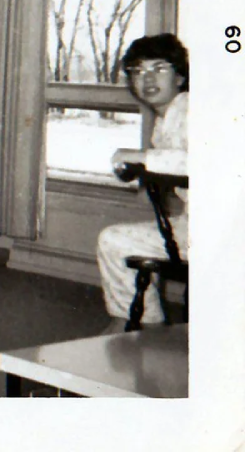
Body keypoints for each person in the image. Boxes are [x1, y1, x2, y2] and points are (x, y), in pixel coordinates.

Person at [96, 33, 189, 330]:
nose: (148, 78)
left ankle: (138, 326)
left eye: (159, 68)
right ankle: (138, 323)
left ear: (180, 77)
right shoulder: (166, 120)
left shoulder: (193, 110)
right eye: (138, 71)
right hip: (194, 226)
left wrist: (143, 157)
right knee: (114, 240)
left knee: (115, 240)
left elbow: (211, 163)